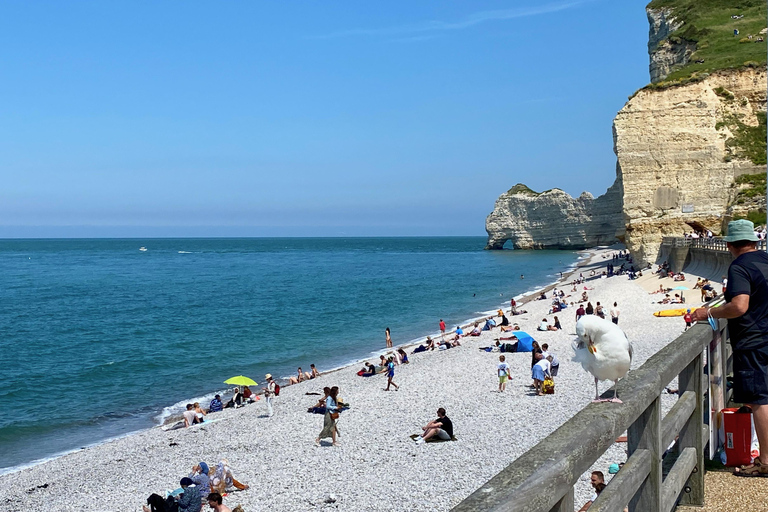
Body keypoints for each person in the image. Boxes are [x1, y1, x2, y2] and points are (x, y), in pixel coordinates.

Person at [690, 219, 768, 477]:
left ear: (729, 245)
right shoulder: (765, 260)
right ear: (754, 241)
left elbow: (739, 306)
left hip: (753, 341)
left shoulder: (739, 266)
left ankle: (766, 462)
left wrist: (708, 312)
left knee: (758, 399)